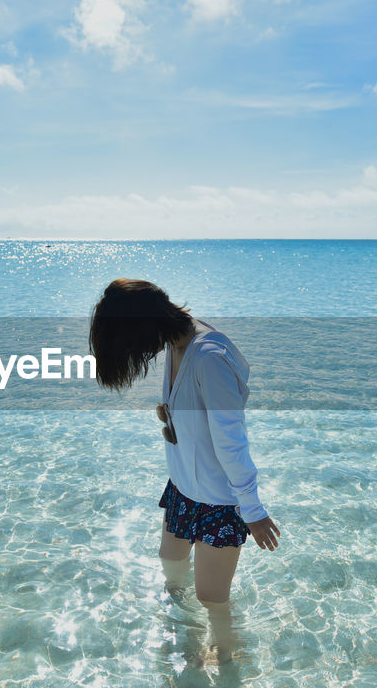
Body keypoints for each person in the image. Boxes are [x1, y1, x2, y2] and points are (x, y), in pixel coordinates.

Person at [88, 279, 282, 663]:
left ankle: (226, 657)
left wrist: (253, 511)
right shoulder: (178, 342)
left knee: (211, 597)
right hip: (183, 488)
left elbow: (231, 439)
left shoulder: (208, 357)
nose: (135, 353)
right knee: (172, 565)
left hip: (217, 500)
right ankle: (180, 635)